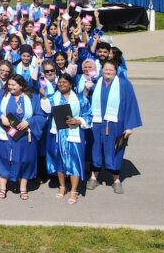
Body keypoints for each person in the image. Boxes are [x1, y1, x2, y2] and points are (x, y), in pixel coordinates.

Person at [0, 74, 45, 200]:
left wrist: (29, 121)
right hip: (5, 133)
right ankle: (3, 188)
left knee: (25, 160)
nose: (10, 87)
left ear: (21, 85)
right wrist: (1, 117)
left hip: (25, 134)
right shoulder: (1, 95)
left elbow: (40, 116)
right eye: (9, 84)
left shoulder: (32, 97)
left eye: (13, 85)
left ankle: (23, 188)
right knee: (3, 158)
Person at [87, 61, 142, 194]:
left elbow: (131, 104)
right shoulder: (96, 84)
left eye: (111, 70)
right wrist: (86, 89)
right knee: (95, 150)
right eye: (105, 69)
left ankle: (116, 180)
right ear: (102, 71)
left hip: (115, 125)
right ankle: (94, 177)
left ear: (116, 71)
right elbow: (85, 103)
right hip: (97, 124)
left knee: (115, 151)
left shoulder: (124, 84)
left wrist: (129, 126)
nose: (108, 72)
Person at [45, 74, 91, 204]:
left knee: (74, 161)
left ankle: (74, 191)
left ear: (71, 84)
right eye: (59, 82)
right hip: (58, 134)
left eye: (65, 82)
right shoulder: (53, 98)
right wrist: (43, 97)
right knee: (59, 161)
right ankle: (62, 187)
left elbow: (88, 115)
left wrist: (78, 120)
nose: (62, 84)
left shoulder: (81, 99)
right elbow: (46, 110)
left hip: (74, 133)